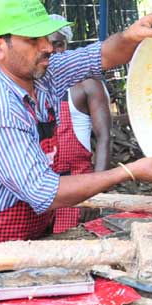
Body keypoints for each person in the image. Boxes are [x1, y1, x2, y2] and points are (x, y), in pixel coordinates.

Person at [0, 0, 152, 246]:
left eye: (45, 36)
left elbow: (102, 56)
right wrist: (128, 172)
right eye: (33, 39)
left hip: (31, 235)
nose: (47, 47)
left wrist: (131, 36)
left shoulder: (41, 74)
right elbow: (45, 192)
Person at [46, 14, 113, 233]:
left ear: (66, 45)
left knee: (72, 251)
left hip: (78, 185)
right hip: (44, 188)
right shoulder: (35, 84)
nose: (54, 51)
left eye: (58, 44)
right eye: (48, 44)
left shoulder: (88, 85)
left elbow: (104, 138)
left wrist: (96, 194)